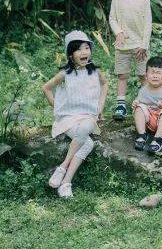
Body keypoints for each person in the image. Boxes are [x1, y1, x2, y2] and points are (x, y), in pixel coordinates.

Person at [42, 30, 107, 198]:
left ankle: (63, 168)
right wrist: (57, 107)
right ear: (71, 55)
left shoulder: (96, 72)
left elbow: (105, 85)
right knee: (88, 144)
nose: (84, 52)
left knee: (86, 125)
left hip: (88, 117)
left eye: (86, 48)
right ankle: (66, 183)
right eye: (79, 49)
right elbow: (46, 88)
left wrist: (100, 106)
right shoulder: (65, 74)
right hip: (68, 119)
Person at [107, 0, 151, 121]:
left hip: (141, 47)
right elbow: (112, 19)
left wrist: (144, 45)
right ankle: (121, 106)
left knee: (143, 76)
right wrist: (118, 33)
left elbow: (148, 24)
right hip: (123, 46)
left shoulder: (144, 0)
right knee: (122, 75)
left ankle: (145, 104)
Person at [131, 56, 162, 155]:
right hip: (149, 122)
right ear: (146, 75)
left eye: (158, 73)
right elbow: (140, 102)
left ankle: (158, 138)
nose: (155, 76)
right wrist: (136, 102)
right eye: (152, 72)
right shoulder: (143, 90)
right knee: (139, 107)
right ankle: (141, 135)